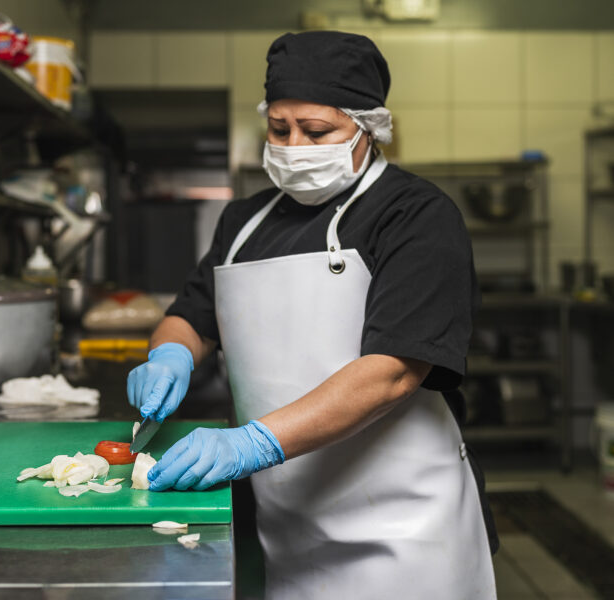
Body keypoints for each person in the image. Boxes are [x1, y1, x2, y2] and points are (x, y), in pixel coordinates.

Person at [126, 31, 498, 599]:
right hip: (289, 520)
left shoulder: (416, 215)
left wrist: (249, 445)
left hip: (403, 528)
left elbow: (394, 370)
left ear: (367, 128)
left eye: (317, 131)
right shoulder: (243, 222)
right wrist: (169, 353)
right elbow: (190, 315)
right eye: (280, 129)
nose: (295, 145)